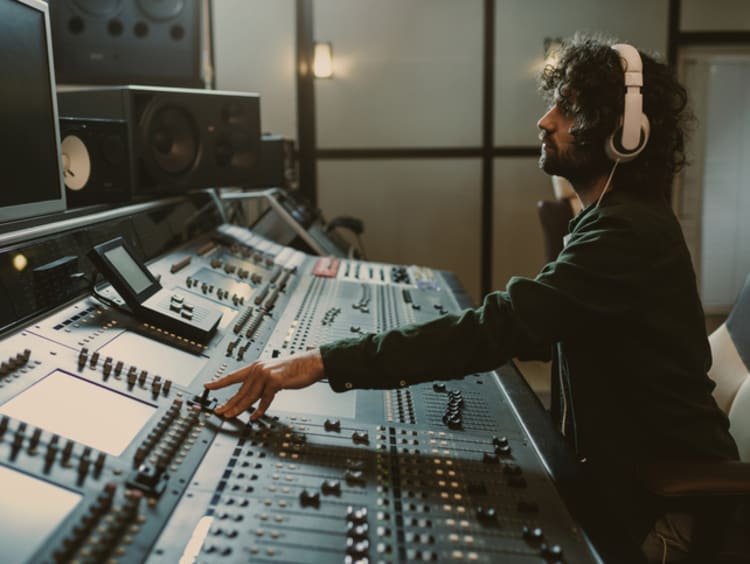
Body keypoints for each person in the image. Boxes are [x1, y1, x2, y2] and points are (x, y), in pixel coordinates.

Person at [204, 34, 739, 562]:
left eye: (568, 110)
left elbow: (500, 328)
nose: (544, 121)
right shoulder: (616, 219)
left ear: (624, 134)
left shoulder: (628, 233)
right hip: (621, 472)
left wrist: (322, 362)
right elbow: (530, 328)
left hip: (661, 510)